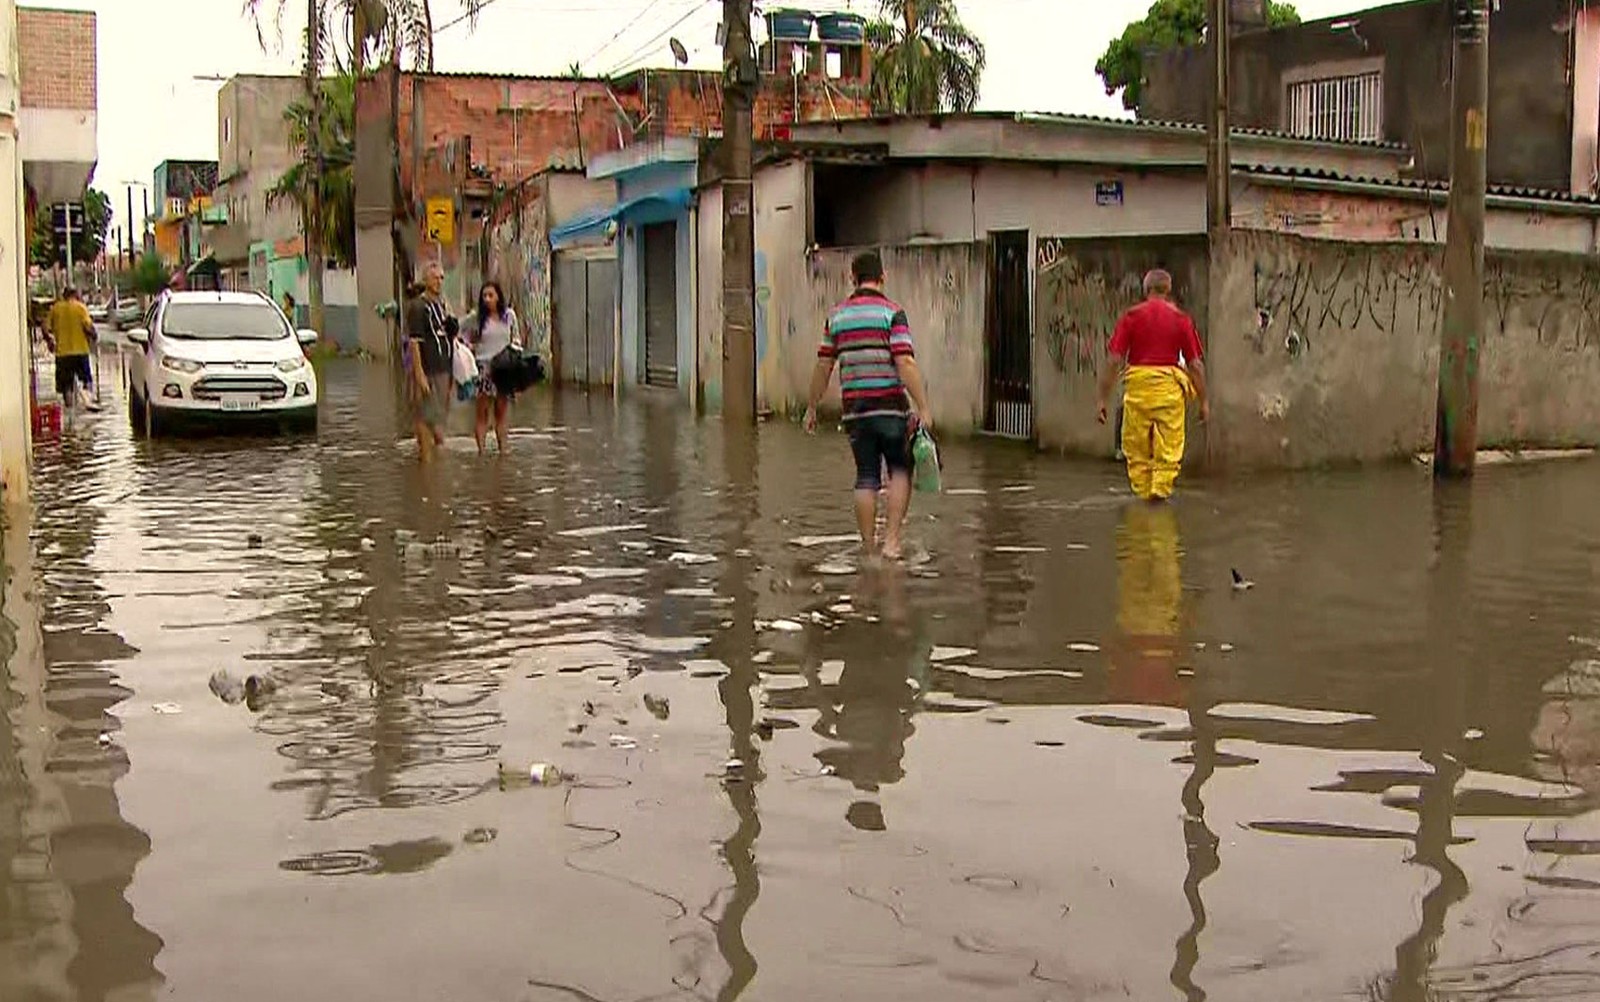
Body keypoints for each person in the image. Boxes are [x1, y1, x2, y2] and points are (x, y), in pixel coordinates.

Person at [804, 251, 933, 561]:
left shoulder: (837, 317)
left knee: (866, 476)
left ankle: (868, 547)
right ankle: (891, 542)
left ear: (852, 278)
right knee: (900, 471)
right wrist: (924, 406)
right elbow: (904, 361)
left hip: (856, 412)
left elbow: (823, 366)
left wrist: (811, 407)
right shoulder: (893, 313)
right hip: (891, 408)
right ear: (882, 277)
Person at [1096, 269, 1210, 502]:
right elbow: (1196, 365)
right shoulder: (1181, 320)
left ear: (1146, 289)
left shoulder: (1131, 317)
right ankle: (1160, 508)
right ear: (1168, 290)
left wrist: (1102, 399)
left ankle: (1142, 509)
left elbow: (1114, 360)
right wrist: (1204, 401)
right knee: (1168, 453)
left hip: (1138, 392)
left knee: (1137, 454)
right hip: (1168, 395)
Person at [404, 262, 454, 461]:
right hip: (428, 367)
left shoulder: (441, 305)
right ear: (425, 280)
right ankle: (425, 461)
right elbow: (414, 342)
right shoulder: (418, 307)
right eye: (435, 278)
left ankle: (436, 452)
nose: (439, 282)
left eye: (442, 278)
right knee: (425, 415)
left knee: (437, 413)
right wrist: (419, 373)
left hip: (443, 366)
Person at [465, 280, 520, 455]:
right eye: (484, 296)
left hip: (503, 368)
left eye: (491, 295)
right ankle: (481, 451)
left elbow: (516, 338)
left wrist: (515, 355)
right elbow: (459, 329)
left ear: (498, 297)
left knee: (501, 412)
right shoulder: (477, 318)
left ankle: (503, 451)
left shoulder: (509, 315)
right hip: (484, 367)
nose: (488, 299)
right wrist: (467, 345)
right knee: (482, 412)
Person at [45, 287, 100, 412]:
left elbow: (45, 328)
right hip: (80, 351)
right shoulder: (80, 308)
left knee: (66, 385)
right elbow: (88, 326)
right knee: (86, 380)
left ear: (64, 295)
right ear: (75, 294)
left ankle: (69, 410)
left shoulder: (56, 309)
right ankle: (87, 401)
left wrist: (50, 341)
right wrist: (94, 336)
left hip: (62, 354)